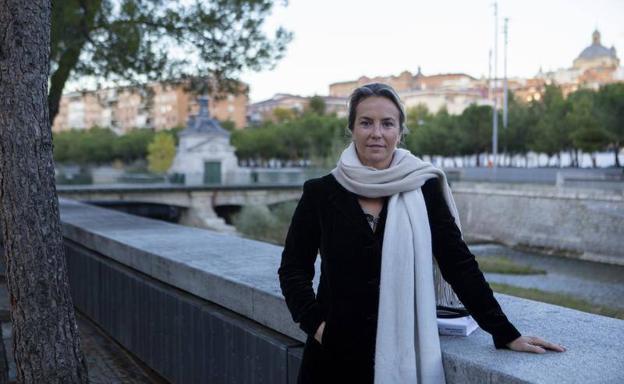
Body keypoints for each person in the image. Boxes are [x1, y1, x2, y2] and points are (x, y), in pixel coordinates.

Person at [277, 83, 565, 384]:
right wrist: (320, 328)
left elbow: (458, 263)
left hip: (405, 355)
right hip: (331, 362)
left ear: (400, 131)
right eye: (366, 122)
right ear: (351, 129)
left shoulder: (422, 188)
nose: (377, 133)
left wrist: (505, 332)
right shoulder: (320, 193)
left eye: (387, 123)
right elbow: (293, 269)